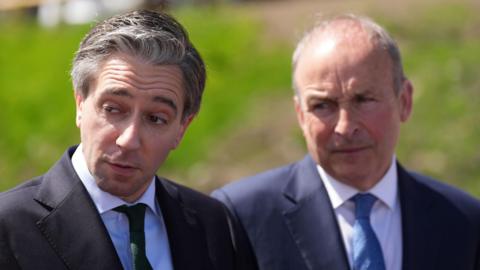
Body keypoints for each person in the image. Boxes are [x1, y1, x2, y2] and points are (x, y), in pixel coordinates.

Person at [212, 14, 480, 270]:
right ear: (300, 115)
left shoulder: (464, 221)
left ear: (404, 101)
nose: (345, 127)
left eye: (363, 100)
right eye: (322, 105)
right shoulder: (240, 218)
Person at [0, 10, 256, 270]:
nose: (129, 139)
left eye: (156, 118)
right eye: (113, 109)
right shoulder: (9, 226)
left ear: (182, 127)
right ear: (80, 104)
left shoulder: (215, 225)